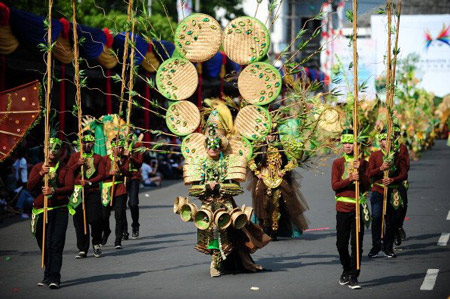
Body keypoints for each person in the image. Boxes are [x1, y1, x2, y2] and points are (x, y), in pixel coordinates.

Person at [182, 112, 270, 278]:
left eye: (216, 146)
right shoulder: (198, 163)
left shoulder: (230, 161)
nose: (213, 149)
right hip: (208, 205)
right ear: (205, 147)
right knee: (212, 234)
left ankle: (241, 262)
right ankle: (215, 264)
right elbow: (193, 190)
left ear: (221, 146)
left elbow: (236, 188)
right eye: (210, 146)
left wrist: (221, 186)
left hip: (226, 204)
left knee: (234, 235)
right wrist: (207, 186)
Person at [28, 137, 74, 289]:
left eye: (55, 147)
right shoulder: (37, 167)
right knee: (45, 245)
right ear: (44, 150)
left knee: (55, 244)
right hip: (41, 211)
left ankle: (55, 277)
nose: (52, 150)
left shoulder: (65, 169)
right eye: (49, 147)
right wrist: (41, 173)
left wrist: (54, 190)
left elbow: (70, 188)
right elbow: (30, 187)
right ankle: (47, 275)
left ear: (61, 151)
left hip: (59, 210)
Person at [248, 134, 309, 240]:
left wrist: (284, 171)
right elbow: (250, 159)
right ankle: (265, 226)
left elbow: (292, 159)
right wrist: (257, 172)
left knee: (276, 205)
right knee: (264, 204)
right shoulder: (259, 147)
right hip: (264, 179)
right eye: (269, 135)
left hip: (278, 180)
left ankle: (275, 229)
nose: (270, 137)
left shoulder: (282, 147)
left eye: (273, 135)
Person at [331, 129, 369, 289]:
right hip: (342, 208)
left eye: (350, 143)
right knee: (341, 244)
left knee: (357, 244)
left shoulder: (363, 163)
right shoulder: (338, 163)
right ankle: (346, 268)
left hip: (357, 208)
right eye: (345, 142)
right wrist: (349, 179)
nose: (348, 146)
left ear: (356, 144)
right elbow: (335, 186)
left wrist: (359, 171)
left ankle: (354, 275)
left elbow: (367, 186)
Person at [367, 129, 408, 259]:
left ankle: (388, 247)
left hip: (392, 191)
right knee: (377, 217)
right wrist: (380, 169)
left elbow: (404, 173)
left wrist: (392, 180)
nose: (387, 142)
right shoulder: (375, 155)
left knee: (390, 220)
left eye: (390, 139)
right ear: (380, 141)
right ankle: (376, 247)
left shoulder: (397, 156)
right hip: (378, 191)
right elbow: (368, 173)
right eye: (384, 139)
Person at [66, 130, 105, 259]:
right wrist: (78, 164)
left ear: (93, 143)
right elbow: (67, 173)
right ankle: (82, 248)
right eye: (85, 142)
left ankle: (97, 243)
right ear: (81, 143)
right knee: (79, 221)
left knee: (95, 219)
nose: (88, 145)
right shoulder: (75, 157)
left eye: (90, 142)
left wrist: (89, 182)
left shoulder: (97, 158)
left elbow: (101, 175)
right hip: (77, 192)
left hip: (92, 191)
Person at [101, 137, 130, 249]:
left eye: (122, 147)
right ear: (112, 147)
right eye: (119, 147)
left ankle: (118, 240)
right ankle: (106, 230)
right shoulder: (105, 159)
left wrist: (120, 166)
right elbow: (101, 174)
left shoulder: (125, 159)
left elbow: (127, 173)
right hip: (106, 190)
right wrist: (109, 173)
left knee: (119, 215)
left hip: (119, 188)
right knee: (104, 215)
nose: (121, 149)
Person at [122, 131, 144, 240]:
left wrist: (130, 157)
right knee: (121, 205)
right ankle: (124, 230)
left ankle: (135, 225)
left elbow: (140, 163)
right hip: (122, 178)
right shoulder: (119, 145)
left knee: (133, 203)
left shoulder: (138, 146)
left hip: (134, 177)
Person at [392, 125, 410, 245]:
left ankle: (399, 226)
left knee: (403, 205)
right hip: (385, 183)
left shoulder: (402, 148)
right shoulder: (380, 149)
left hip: (399, 181)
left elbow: (406, 166)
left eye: (395, 135)